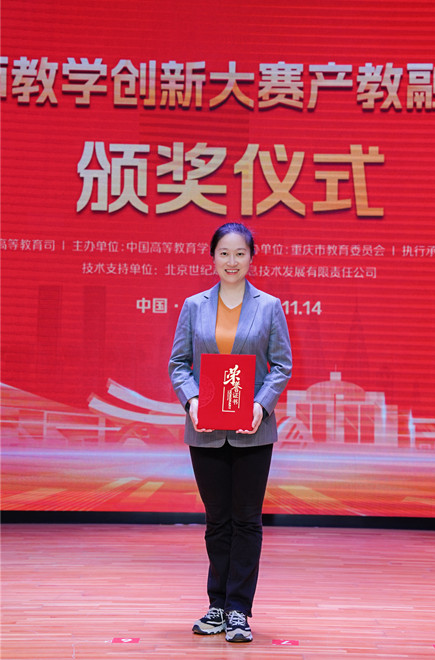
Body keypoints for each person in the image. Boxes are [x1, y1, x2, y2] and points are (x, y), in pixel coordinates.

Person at [168, 222, 292, 643]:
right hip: (205, 429)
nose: (232, 261)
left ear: (252, 257)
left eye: (240, 253)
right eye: (224, 253)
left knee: (247, 520)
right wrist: (192, 401)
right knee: (217, 520)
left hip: (253, 429)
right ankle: (216, 605)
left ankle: (239, 608)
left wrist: (260, 405)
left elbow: (282, 365)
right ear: (212, 257)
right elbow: (178, 364)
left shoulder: (269, 306)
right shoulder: (193, 306)